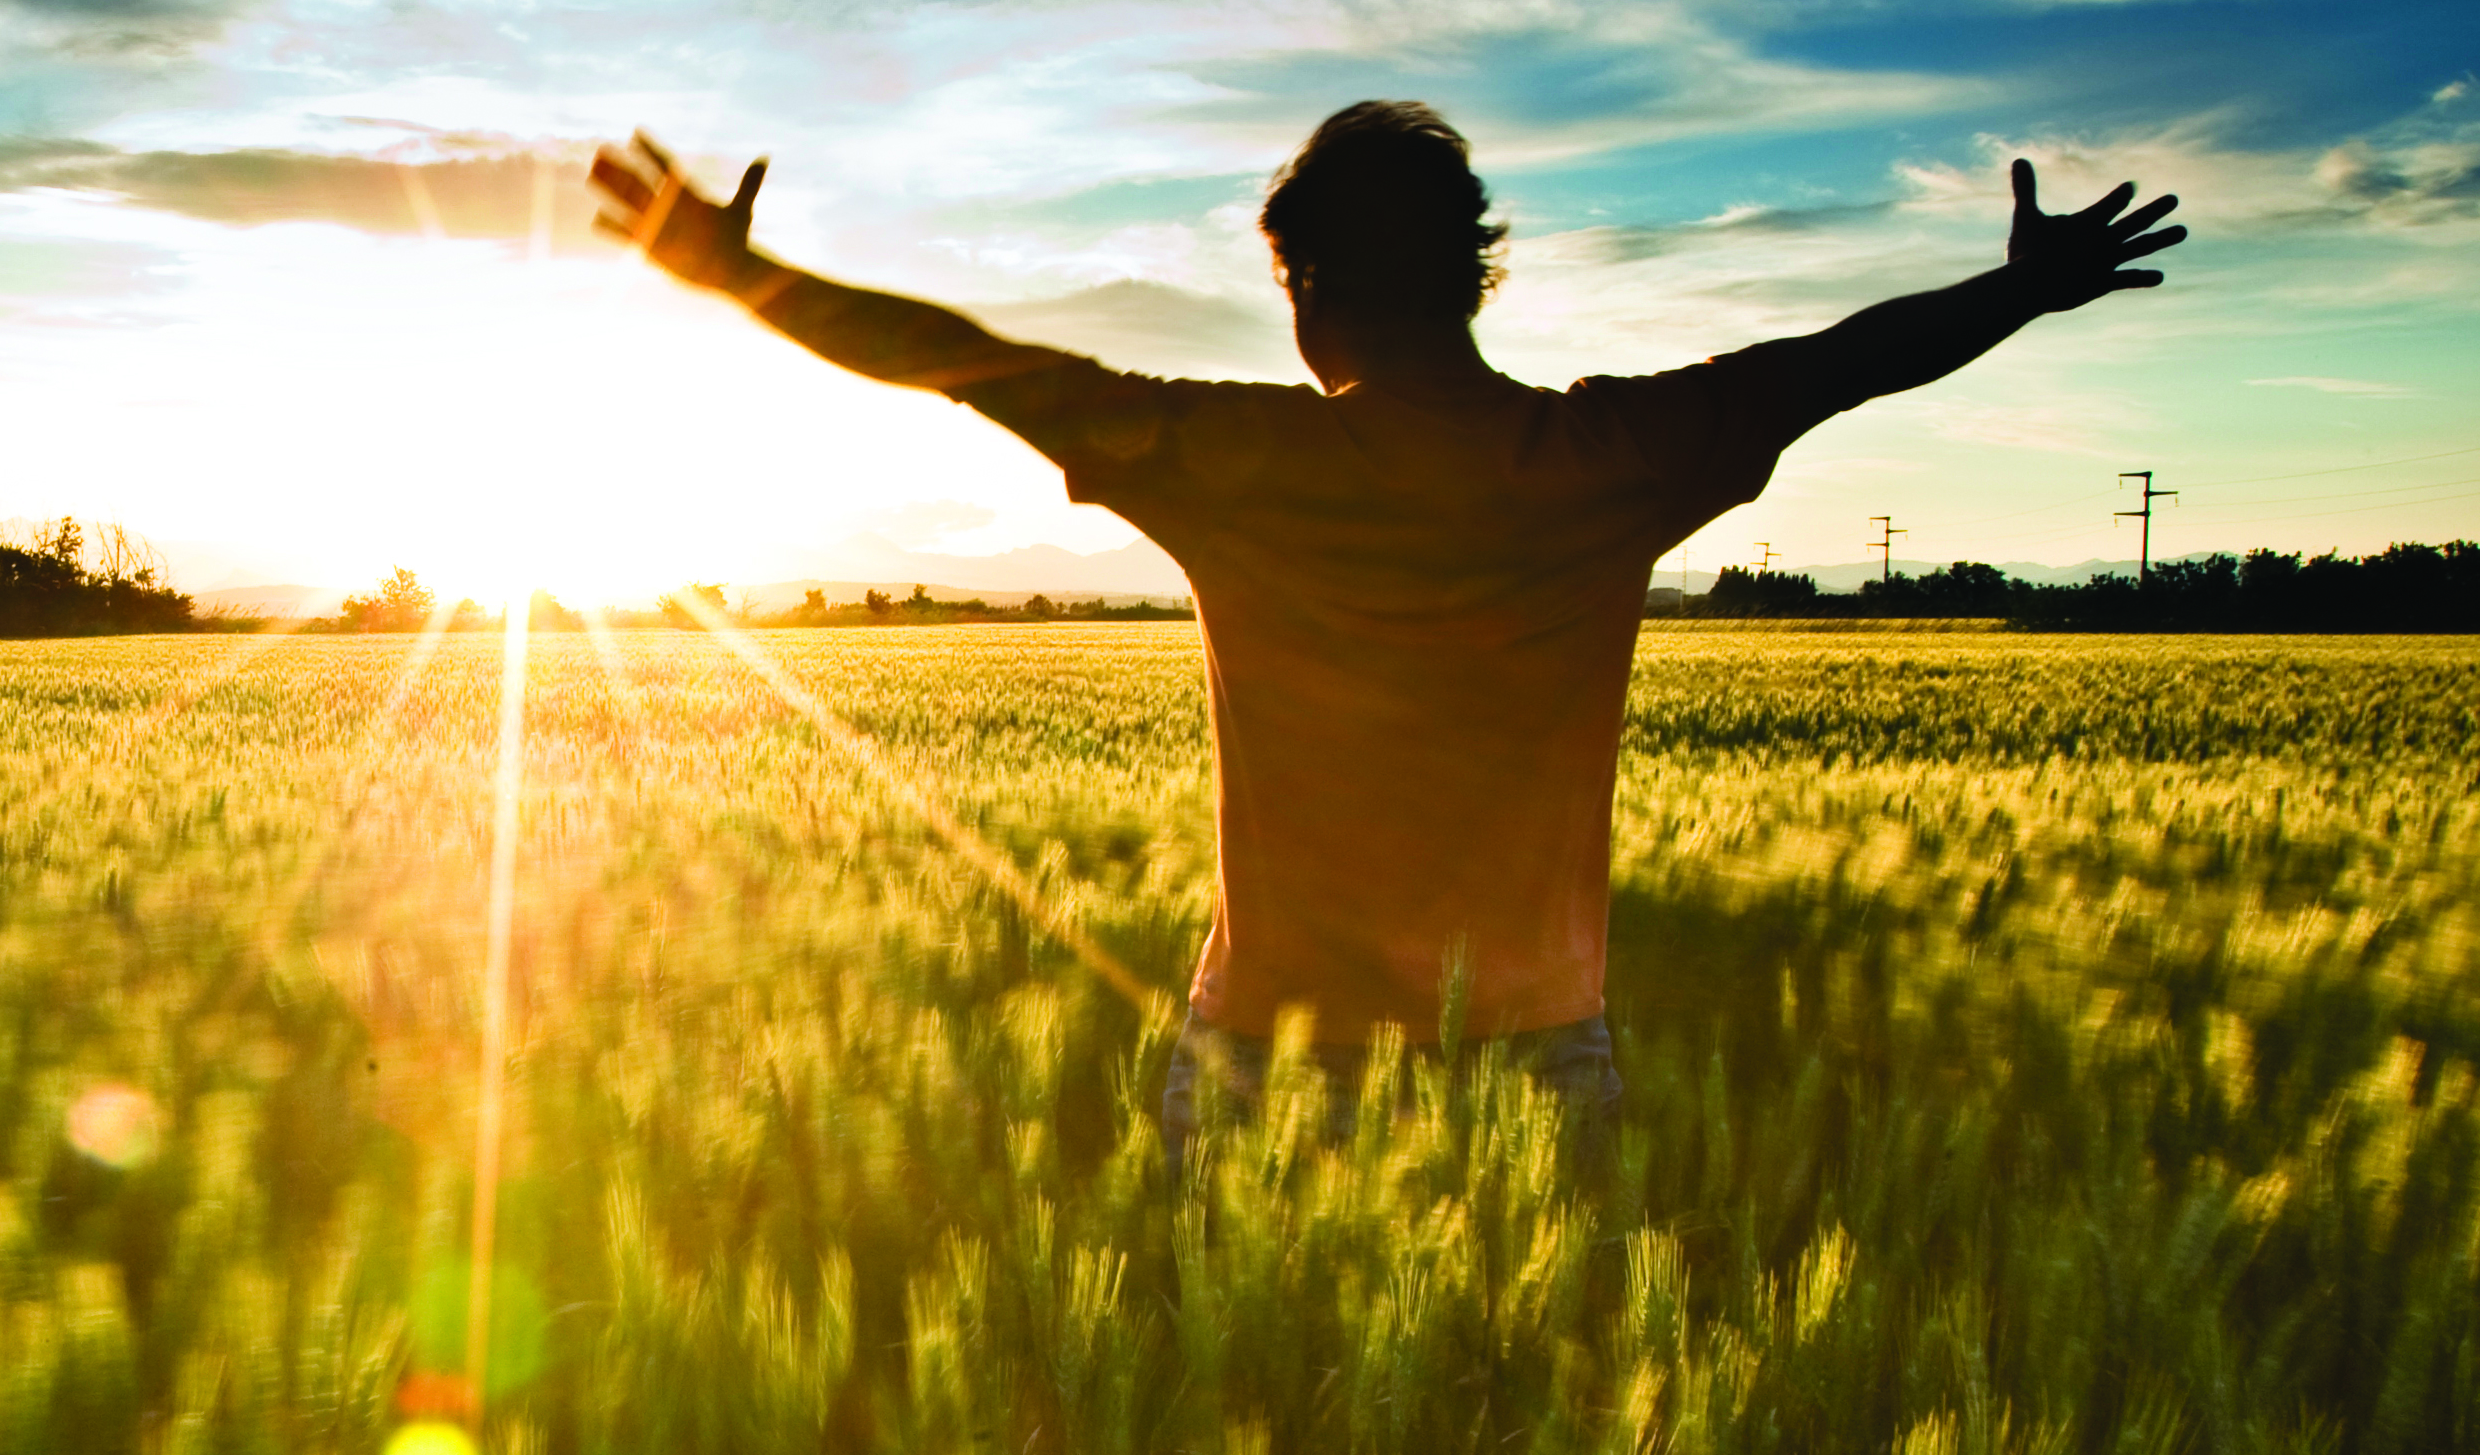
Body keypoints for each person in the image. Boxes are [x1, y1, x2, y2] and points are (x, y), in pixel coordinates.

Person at [590, 102, 2183, 1166]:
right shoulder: (1608, 460)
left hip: (1261, 1057)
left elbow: (969, 361)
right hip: (1541, 1058)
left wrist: (740, 277)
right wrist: (2014, 293)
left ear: (1301, 287)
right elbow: (1834, 360)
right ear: (1473, 276)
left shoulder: (1239, 460)